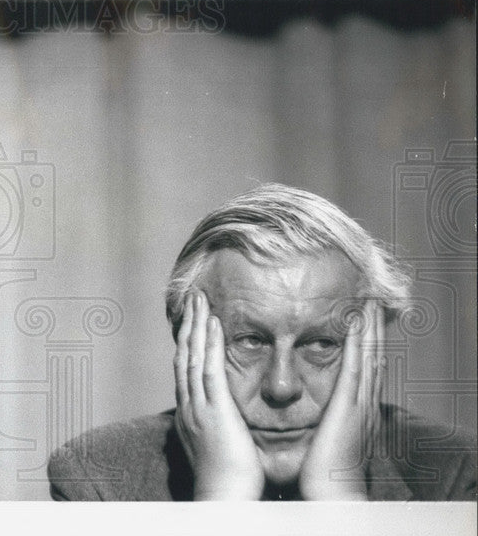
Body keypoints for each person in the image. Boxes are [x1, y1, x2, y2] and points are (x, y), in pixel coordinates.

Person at [49, 184, 476, 502]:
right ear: (188, 342)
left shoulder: (456, 473)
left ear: (371, 347)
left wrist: (339, 496)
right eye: (251, 341)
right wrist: (224, 498)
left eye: (321, 344)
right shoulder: (97, 476)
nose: (282, 387)